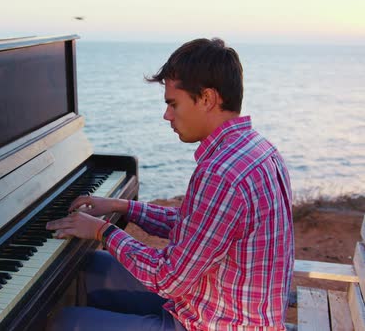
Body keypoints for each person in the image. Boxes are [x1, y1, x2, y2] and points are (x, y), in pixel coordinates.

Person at [45, 38, 294, 330]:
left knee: (62, 322)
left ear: (207, 99)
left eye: (173, 104)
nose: (167, 115)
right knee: (88, 269)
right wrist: (122, 206)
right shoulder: (256, 148)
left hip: (216, 323)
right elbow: (199, 226)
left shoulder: (222, 172)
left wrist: (102, 230)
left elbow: (168, 279)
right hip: (213, 304)